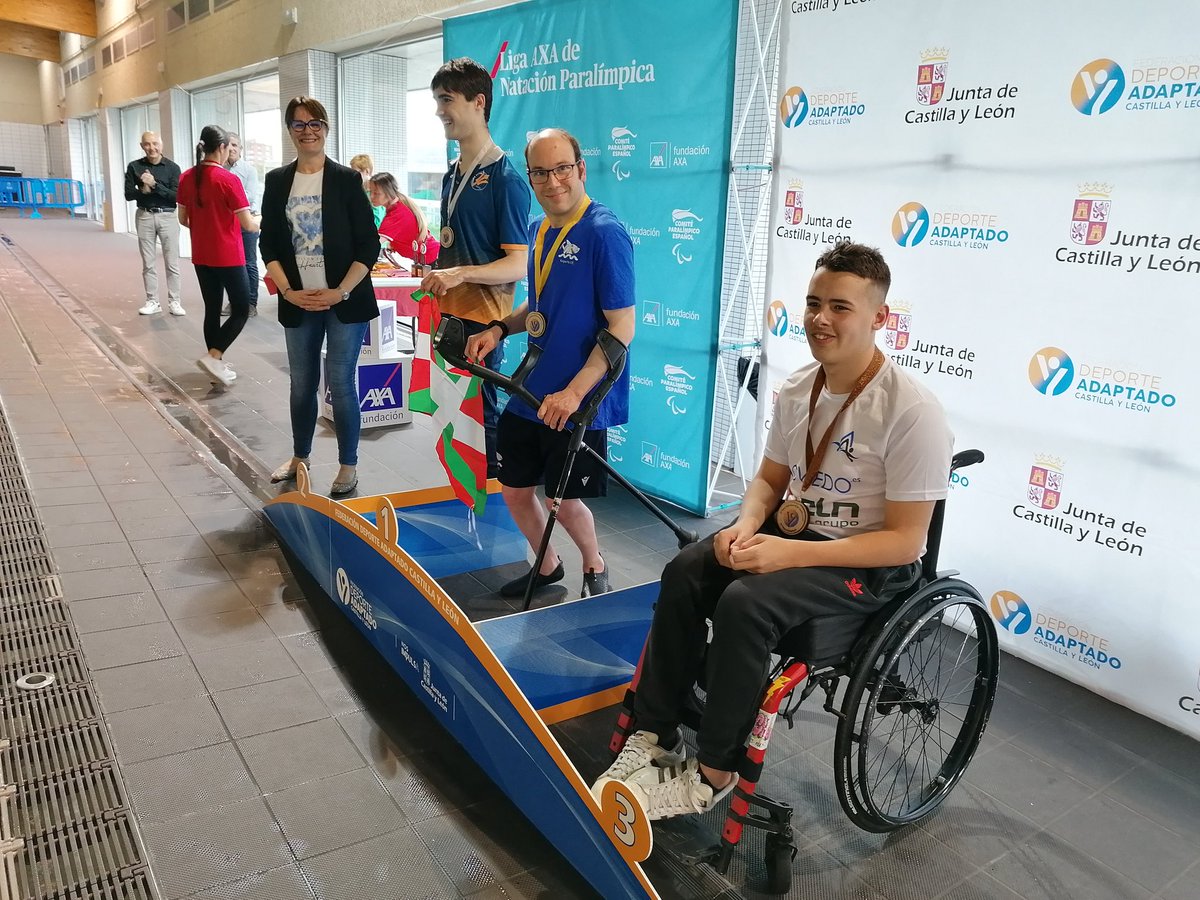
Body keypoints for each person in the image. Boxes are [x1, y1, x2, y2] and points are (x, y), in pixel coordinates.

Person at [593, 242, 953, 821]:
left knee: (745, 604)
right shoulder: (798, 388)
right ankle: (655, 733)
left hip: (868, 566)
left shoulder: (912, 411)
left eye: (840, 307)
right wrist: (746, 525)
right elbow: (767, 479)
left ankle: (712, 773)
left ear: (879, 318)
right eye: (814, 303)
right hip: (800, 539)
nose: (820, 319)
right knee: (687, 567)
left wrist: (785, 554)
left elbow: (907, 542)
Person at [466, 128, 634, 600]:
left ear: (580, 169)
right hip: (532, 389)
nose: (551, 180)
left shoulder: (605, 232)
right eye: (540, 172)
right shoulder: (540, 229)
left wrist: (575, 392)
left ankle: (593, 562)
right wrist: (499, 327)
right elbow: (538, 309)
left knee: (564, 498)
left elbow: (622, 328)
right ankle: (547, 565)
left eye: (561, 168)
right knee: (516, 490)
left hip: (578, 398)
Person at [259, 97, 380, 496]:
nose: (307, 130)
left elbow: (369, 244)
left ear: (326, 129)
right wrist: (289, 292)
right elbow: (269, 244)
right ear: (289, 129)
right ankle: (300, 456)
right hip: (300, 302)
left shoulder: (346, 179)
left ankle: (349, 464)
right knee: (301, 384)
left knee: (342, 384)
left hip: (344, 300)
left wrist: (340, 291)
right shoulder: (278, 180)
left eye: (315, 123)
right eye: (298, 124)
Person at [420, 57, 532, 478]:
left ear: (478, 102)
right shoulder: (452, 174)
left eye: (446, 99)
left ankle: (492, 530)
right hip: (447, 316)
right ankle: (463, 508)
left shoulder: (506, 179)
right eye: (436, 100)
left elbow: (518, 263)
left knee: (481, 426)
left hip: (482, 326)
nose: (438, 110)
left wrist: (461, 273)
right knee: (452, 425)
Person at [177, 125, 259, 387]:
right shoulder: (228, 179)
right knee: (241, 310)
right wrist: (266, 219)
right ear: (222, 148)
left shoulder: (187, 177)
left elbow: (183, 219)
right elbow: (248, 225)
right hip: (228, 256)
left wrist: (206, 228)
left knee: (212, 310)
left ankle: (216, 364)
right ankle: (214, 357)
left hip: (201, 254)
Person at [124, 131, 183, 316]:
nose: (152, 148)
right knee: (148, 263)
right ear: (142, 146)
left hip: (167, 216)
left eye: (155, 143)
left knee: (172, 262)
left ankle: (175, 301)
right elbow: (128, 194)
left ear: (161, 144)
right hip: (144, 216)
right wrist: (143, 188)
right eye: (147, 144)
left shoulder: (173, 168)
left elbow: (176, 196)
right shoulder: (134, 166)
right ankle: (152, 301)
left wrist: (155, 185)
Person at [223, 132, 262, 317]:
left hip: (247, 222)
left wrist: (226, 197)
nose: (232, 148)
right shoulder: (220, 169)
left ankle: (251, 303)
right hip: (226, 224)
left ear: (241, 149)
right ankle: (234, 302)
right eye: (228, 145)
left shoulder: (249, 170)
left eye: (235, 145)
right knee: (230, 265)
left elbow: (250, 196)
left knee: (249, 263)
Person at [368, 173, 441, 268]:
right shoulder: (397, 207)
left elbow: (373, 243)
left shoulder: (397, 214)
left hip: (433, 260)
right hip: (431, 257)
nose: (371, 197)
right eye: (370, 192)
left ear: (389, 193)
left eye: (376, 193)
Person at [349, 153, 385, 229]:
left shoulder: (376, 191)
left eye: (356, 172)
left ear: (367, 171)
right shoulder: (359, 190)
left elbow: (377, 221)